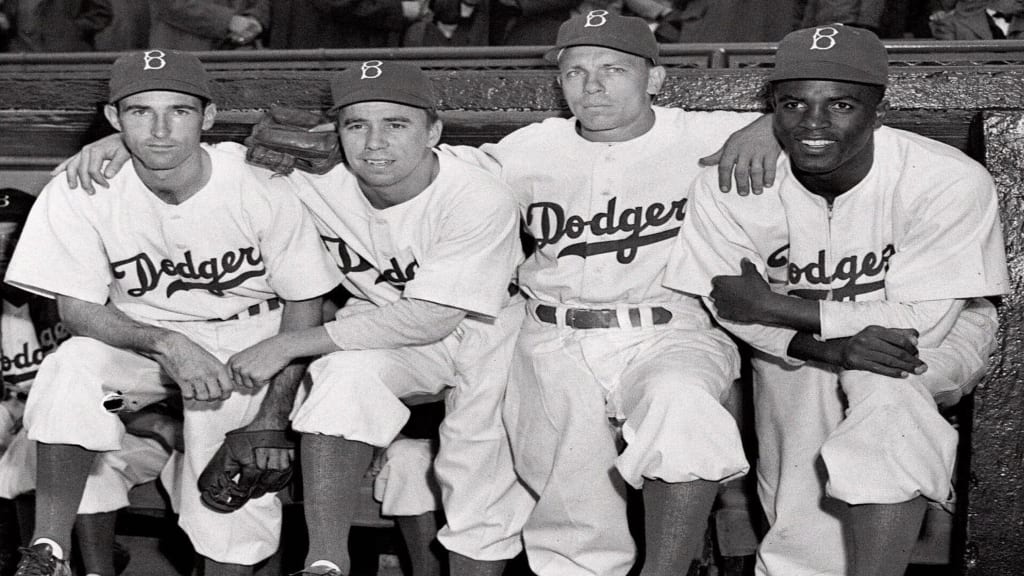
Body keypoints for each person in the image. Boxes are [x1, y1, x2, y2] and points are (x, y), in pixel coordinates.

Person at [440, 11, 779, 576]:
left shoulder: (702, 134)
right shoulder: (527, 149)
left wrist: (766, 126)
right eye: (574, 72)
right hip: (553, 337)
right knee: (574, 520)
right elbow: (434, 173)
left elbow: (817, 119)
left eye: (612, 69)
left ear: (655, 78)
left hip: (669, 328)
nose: (591, 85)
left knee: (683, 406)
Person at [665, 24, 1007, 576]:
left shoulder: (943, 178)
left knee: (887, 390)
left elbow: (923, 322)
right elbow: (729, 300)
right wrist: (821, 344)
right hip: (791, 344)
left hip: (938, 331)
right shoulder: (732, 183)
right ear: (772, 109)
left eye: (841, 104)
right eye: (794, 104)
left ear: (879, 110)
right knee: (797, 490)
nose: (814, 123)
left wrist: (784, 307)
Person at [5, 49, 341, 576]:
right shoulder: (82, 187)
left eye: (179, 111)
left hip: (251, 341)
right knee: (69, 370)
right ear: (114, 118)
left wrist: (273, 416)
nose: (160, 129)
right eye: (140, 112)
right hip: (138, 345)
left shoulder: (259, 183)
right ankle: (48, 548)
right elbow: (75, 310)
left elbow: (306, 302)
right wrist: (166, 343)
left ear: (207, 117)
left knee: (225, 498)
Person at [148, 0, 269, 50]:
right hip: (185, 50)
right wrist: (228, 21)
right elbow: (169, 4)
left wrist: (255, 19)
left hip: (243, 52)